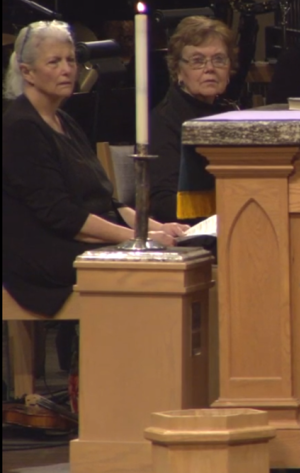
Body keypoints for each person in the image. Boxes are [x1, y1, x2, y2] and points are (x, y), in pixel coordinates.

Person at [2, 20, 187, 318]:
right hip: (43, 253)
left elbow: (106, 202)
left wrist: (154, 227)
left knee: (176, 256)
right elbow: (63, 216)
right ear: (27, 72)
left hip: (72, 238)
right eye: (54, 61)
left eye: (71, 59)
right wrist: (136, 240)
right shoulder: (21, 127)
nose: (67, 69)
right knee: (149, 269)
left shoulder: (65, 121)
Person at [149, 16, 238, 224]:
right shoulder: (163, 120)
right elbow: (164, 202)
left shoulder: (229, 112)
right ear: (178, 70)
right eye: (198, 61)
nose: (210, 68)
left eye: (218, 59)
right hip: (189, 229)